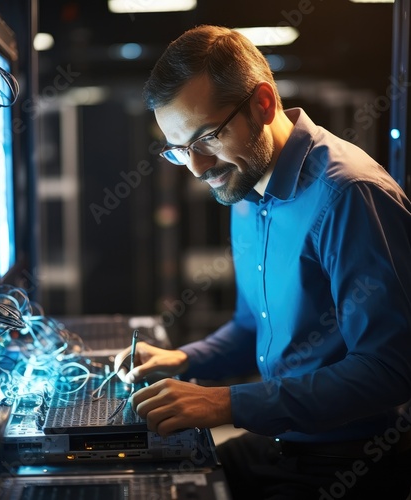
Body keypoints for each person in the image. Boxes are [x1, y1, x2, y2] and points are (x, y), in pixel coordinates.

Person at [114, 25, 411, 499]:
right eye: (178, 150)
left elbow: (389, 370)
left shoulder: (348, 195)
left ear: (263, 104)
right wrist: (185, 359)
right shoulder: (246, 186)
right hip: (278, 444)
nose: (196, 167)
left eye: (208, 136)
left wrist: (225, 403)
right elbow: (254, 324)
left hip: (347, 462)